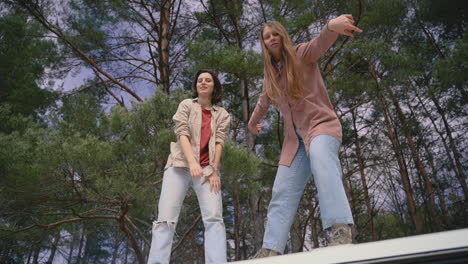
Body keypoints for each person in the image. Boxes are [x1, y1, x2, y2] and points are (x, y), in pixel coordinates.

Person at [248, 15, 363, 258]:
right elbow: (262, 103)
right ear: (264, 44)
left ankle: (340, 228)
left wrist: (330, 27)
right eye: (266, 37)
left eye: (275, 34)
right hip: (295, 143)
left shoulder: (301, 54)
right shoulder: (271, 78)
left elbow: (320, 43)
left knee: (322, 161)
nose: (271, 39)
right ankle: (270, 249)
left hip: (321, 127)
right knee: (281, 191)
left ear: (282, 36)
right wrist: (251, 124)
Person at [147, 70, 231, 264]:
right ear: (196, 86)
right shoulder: (186, 105)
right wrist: (192, 162)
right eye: (200, 80)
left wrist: (214, 170)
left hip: (207, 171)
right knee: (165, 220)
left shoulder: (223, 114)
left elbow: (219, 142)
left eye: (208, 80)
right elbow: (181, 133)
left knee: (214, 218)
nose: (203, 82)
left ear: (214, 86)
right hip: (179, 166)